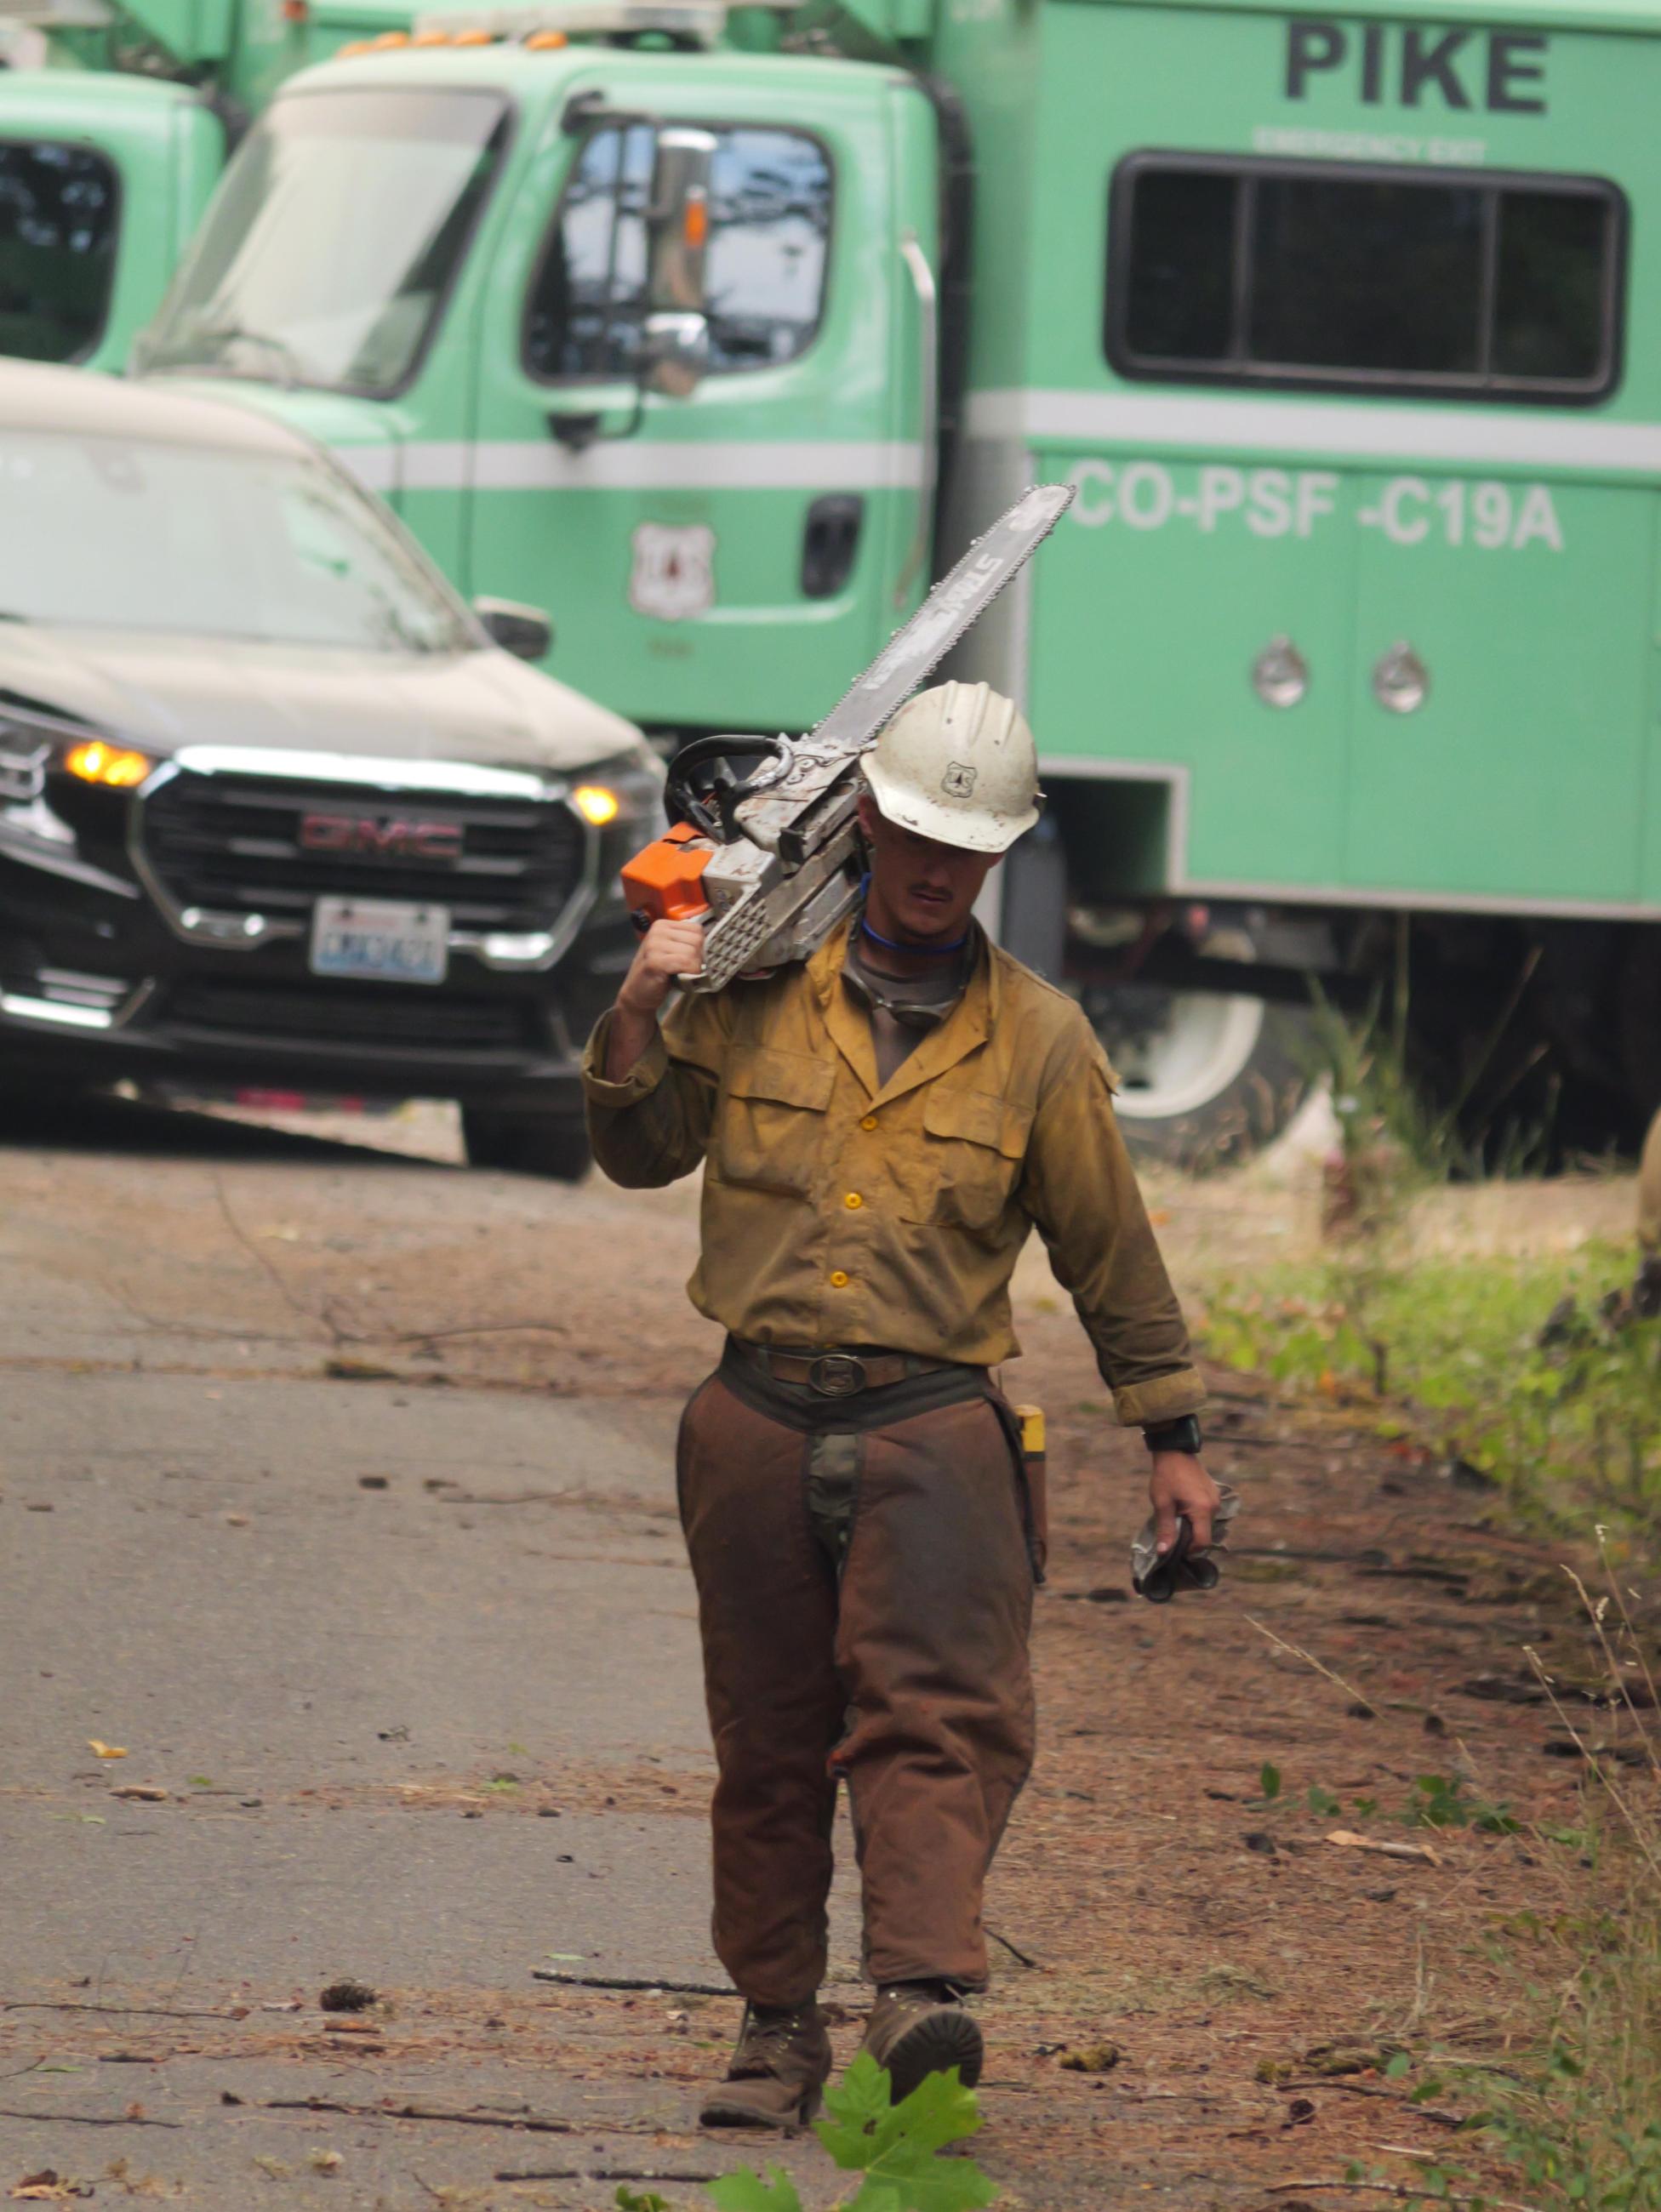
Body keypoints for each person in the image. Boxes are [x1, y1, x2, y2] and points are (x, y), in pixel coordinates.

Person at [582, 681, 1218, 2129]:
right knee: (767, 1732)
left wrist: (1171, 1440)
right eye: (916, 833)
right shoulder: (744, 995)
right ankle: (772, 2031)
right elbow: (638, 1155)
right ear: (864, 819)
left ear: (999, 860)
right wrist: (636, 1008)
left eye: (967, 849)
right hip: (752, 1421)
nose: (934, 871)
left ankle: (924, 1999)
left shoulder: (1041, 1041)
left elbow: (1111, 1253)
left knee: (941, 1720)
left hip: (934, 1429)